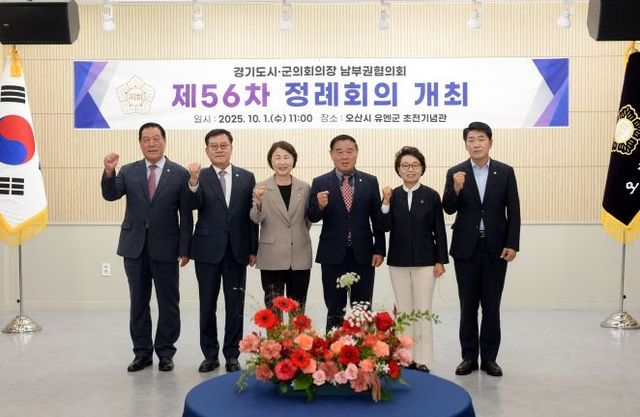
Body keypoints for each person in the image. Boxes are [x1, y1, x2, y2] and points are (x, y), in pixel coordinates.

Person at [101, 122, 192, 373]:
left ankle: (165, 352)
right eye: (146, 139)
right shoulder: (128, 171)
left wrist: (185, 248)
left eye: (156, 138)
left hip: (167, 248)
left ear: (164, 141)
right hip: (134, 248)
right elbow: (111, 194)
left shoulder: (180, 173)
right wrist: (109, 172)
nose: (151, 143)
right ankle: (142, 353)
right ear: (140, 143)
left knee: (168, 303)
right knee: (138, 302)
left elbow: (186, 215)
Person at [442, 121, 520, 377]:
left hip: (496, 248)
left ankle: (489, 358)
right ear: (465, 144)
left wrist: (512, 243)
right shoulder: (456, 172)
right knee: (467, 306)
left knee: (491, 306)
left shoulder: (505, 172)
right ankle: (468, 357)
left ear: (490, 142)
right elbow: (448, 208)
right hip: (466, 248)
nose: (476, 144)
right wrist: (456, 188)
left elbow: (514, 210)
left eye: (481, 139)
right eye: (471, 140)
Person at [188, 128, 258, 374]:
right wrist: (193, 182)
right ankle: (210, 355)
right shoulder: (199, 176)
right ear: (207, 150)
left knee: (235, 305)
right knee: (207, 304)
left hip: (237, 251)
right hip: (206, 251)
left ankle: (232, 355)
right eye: (214, 146)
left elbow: (251, 217)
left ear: (231, 147)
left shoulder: (246, 177)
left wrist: (253, 249)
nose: (219, 149)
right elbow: (192, 204)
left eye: (223, 145)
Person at [379, 146, 448, 374]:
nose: (410, 169)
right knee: (404, 311)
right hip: (398, 261)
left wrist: (440, 260)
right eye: (405, 165)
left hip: (426, 262)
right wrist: (385, 202)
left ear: (422, 169)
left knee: (423, 310)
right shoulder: (393, 195)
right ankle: (405, 357)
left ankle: (422, 359)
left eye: (415, 165)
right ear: (398, 170)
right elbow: (384, 227)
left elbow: (439, 230)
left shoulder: (431, 195)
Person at [307, 134, 386, 333]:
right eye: (339, 152)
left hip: (363, 255)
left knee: (362, 309)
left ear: (356, 153)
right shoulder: (320, 182)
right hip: (332, 256)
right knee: (335, 309)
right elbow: (312, 216)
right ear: (331, 154)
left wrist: (379, 249)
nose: (344, 156)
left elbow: (377, 218)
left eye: (349, 151)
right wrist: (320, 206)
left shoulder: (370, 181)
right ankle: (333, 350)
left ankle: (364, 349)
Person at [250, 141, 312, 312]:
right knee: (273, 311)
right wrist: (259, 202)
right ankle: (275, 333)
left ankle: (296, 332)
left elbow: (307, 221)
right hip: (271, 256)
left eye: (286, 157)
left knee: (297, 309)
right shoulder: (260, 187)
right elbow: (255, 219)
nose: (282, 162)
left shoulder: (304, 188)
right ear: (271, 160)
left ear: (294, 160)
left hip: (299, 255)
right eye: (277, 157)